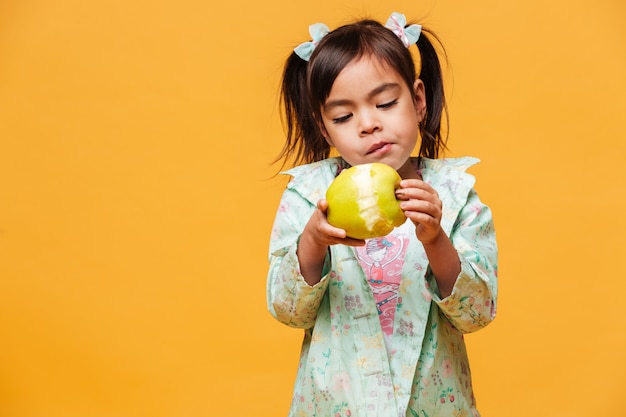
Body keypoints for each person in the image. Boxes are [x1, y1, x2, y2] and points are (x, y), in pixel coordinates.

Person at [266, 11, 498, 417]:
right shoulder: (310, 198)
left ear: (419, 100)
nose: (369, 124)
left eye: (386, 103)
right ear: (325, 129)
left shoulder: (454, 195)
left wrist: (435, 238)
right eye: (343, 116)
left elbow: (477, 313)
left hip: (431, 405)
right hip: (338, 406)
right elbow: (287, 310)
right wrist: (314, 240)